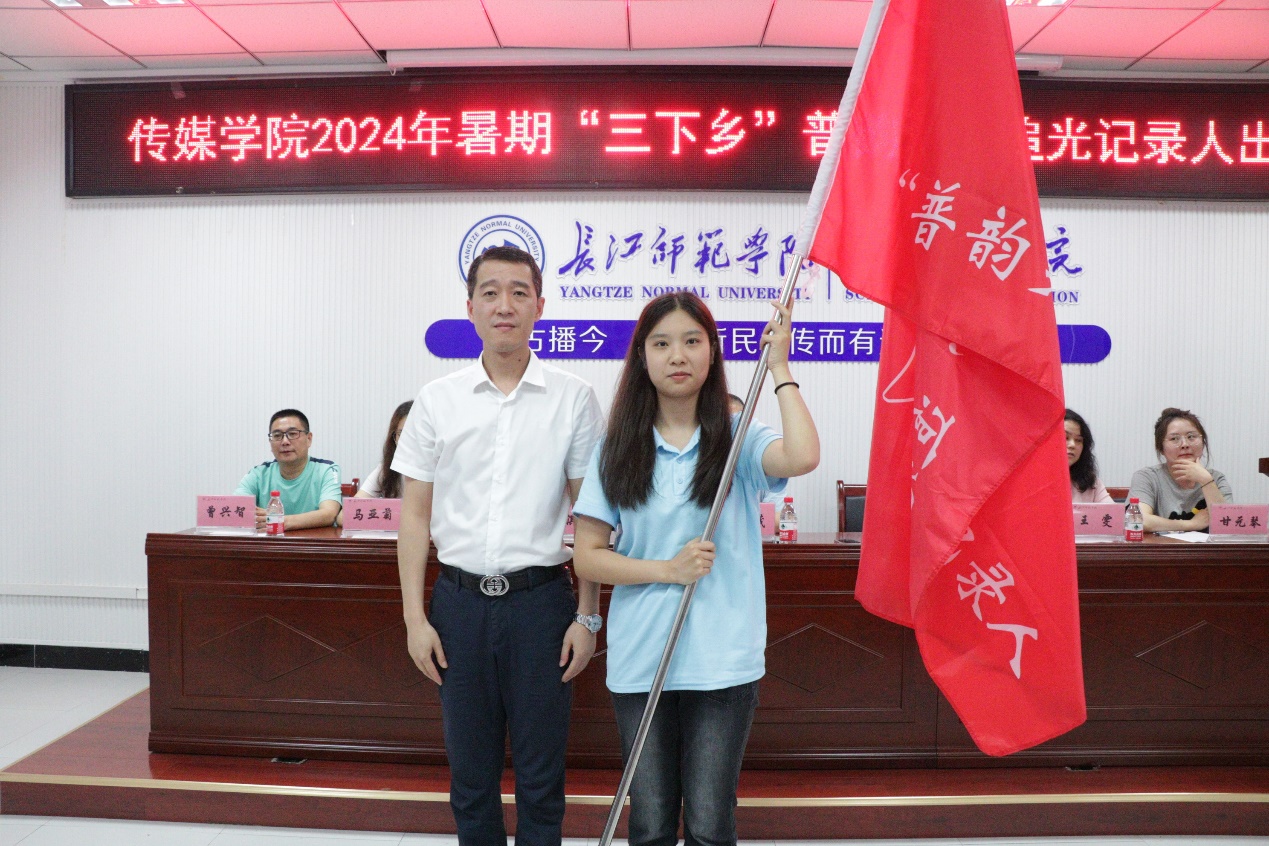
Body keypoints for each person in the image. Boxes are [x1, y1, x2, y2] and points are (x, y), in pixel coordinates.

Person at [571, 291, 819, 846]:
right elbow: (587, 556)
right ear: (642, 357)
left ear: (712, 352)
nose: (677, 355)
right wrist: (667, 569)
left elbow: (803, 456)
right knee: (651, 821)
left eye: (691, 341)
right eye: (661, 344)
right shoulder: (616, 447)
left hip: (721, 663)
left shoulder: (738, 439)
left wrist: (780, 369)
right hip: (642, 658)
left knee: (709, 823)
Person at [392, 245, 605, 846]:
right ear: (470, 307)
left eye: (518, 292)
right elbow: (414, 518)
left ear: (540, 305)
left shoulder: (573, 397)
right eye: (490, 292)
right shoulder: (437, 400)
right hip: (457, 608)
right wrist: (414, 619)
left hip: (542, 607)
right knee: (471, 778)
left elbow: (590, 517)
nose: (504, 305)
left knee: (541, 779)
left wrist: (587, 615)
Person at [1128, 407, 1232, 533]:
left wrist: (1205, 481)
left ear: (1203, 442)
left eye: (1191, 437)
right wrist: (1191, 524)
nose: (1185, 444)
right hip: (1162, 546)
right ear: (1161, 448)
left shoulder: (1216, 479)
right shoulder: (1147, 477)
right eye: (1174, 439)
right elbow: (1137, 520)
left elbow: (1228, 524)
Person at [234, 408, 342, 530]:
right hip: (270, 541)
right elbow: (235, 509)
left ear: (309, 439)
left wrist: (280, 521)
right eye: (277, 436)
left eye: (293, 434)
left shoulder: (327, 470)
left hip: (314, 541)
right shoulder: (258, 474)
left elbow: (329, 514)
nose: (285, 441)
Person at [356, 400, 413, 499]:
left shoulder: (437, 469)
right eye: (401, 434)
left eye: (413, 433)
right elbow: (355, 504)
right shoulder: (387, 469)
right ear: (394, 438)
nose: (407, 439)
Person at [1066, 409, 1113, 504]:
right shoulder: (1036, 478)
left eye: (1078, 440)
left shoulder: (1090, 482)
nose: (1072, 445)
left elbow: (1111, 511)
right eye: (1065, 437)